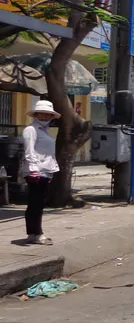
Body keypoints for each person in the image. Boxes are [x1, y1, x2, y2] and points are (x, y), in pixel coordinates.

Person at [20, 100, 60, 245]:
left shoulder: (44, 132)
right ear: (36, 114)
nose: (45, 117)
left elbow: (48, 153)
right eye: (42, 114)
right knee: (35, 203)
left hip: (45, 171)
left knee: (38, 203)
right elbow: (29, 152)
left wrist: (51, 170)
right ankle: (36, 233)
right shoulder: (31, 130)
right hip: (36, 172)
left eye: (48, 115)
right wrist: (34, 170)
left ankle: (34, 233)